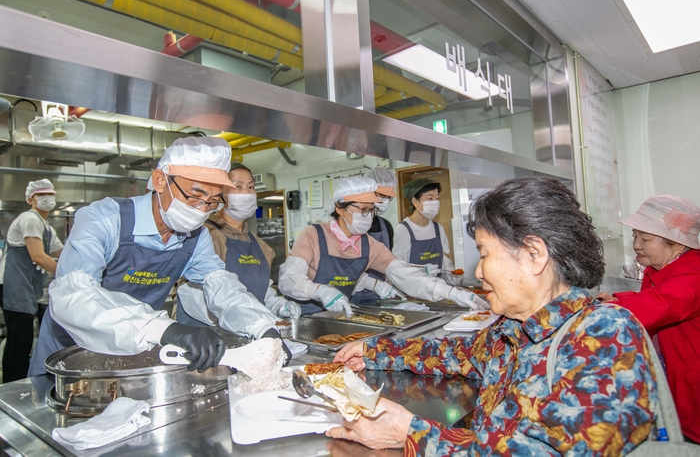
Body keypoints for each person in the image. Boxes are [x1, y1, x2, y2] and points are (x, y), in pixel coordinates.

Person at [330, 177, 659, 455]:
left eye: (485, 254)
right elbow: (453, 353)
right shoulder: (514, 328)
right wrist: (374, 350)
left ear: (534, 255)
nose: (479, 271)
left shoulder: (603, 336)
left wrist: (409, 432)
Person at [28, 137, 285, 377]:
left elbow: (222, 286)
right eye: (195, 196)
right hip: (69, 358)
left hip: (134, 352)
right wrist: (166, 329)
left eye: (212, 202)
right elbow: (74, 295)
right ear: (161, 180)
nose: (201, 209)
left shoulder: (196, 237)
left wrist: (262, 326)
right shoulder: (104, 219)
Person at [278, 176, 488, 316]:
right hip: (304, 316)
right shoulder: (313, 235)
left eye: (372, 210)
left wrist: (452, 293)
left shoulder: (368, 244)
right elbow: (288, 280)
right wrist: (319, 291)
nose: (368, 216)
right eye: (363, 209)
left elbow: (405, 275)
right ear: (340, 208)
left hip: (341, 316)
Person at [597, 195, 700, 444]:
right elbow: (654, 296)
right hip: (678, 373)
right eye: (635, 236)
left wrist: (611, 305)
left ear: (678, 244)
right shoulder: (659, 270)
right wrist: (617, 298)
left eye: (646, 238)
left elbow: (661, 304)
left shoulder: (693, 275)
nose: (636, 244)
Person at [176, 162, 301, 327]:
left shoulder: (261, 245)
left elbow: (262, 291)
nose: (246, 193)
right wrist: (241, 317)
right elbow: (191, 294)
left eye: (251, 187)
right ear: (220, 193)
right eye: (237, 186)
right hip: (206, 337)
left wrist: (278, 305)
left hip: (250, 335)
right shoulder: (203, 236)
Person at [0, 179, 64, 383]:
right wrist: (67, 274)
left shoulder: (46, 227)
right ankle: (13, 388)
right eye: (41, 195)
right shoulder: (29, 218)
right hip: (13, 285)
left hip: (25, 288)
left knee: (21, 340)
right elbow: (38, 256)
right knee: (20, 341)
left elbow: (63, 254)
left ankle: (11, 386)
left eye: (51, 194)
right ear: (30, 199)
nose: (48, 198)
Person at [350, 167, 402, 307]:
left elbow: (388, 261)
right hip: (351, 296)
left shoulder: (386, 226)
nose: (385, 200)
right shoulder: (353, 225)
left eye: (388, 197)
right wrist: (374, 284)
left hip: (379, 296)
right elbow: (346, 266)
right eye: (381, 195)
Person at [393, 178, 459, 283]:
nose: (435, 202)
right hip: (413, 290)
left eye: (437, 198)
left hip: (436, 289)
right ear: (415, 202)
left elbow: (444, 257)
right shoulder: (403, 229)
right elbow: (398, 267)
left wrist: (451, 273)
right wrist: (421, 270)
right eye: (430, 198)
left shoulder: (438, 228)